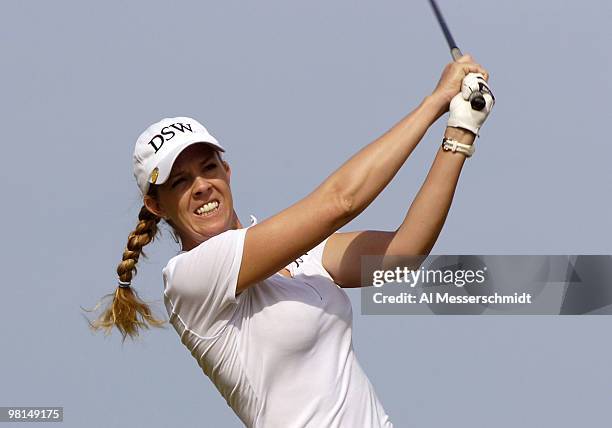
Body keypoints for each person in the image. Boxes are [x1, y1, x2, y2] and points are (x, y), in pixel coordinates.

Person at [88, 55, 494, 427]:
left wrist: (460, 130)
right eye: (180, 181)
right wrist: (434, 102)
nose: (201, 187)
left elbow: (402, 255)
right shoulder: (190, 278)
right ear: (156, 206)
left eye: (208, 167)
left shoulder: (299, 254)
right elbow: (340, 201)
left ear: (227, 171)